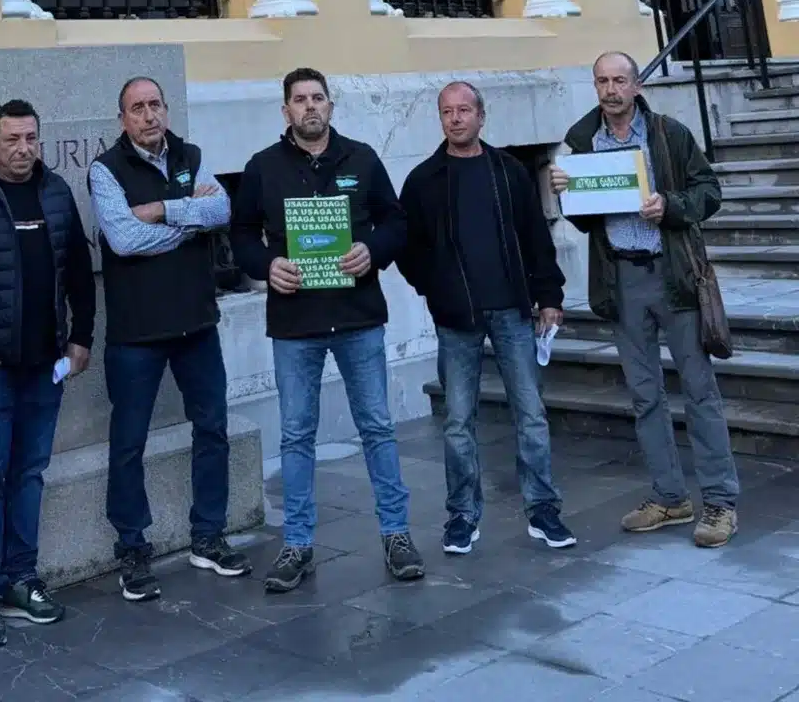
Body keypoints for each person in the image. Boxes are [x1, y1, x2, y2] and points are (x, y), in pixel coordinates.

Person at [230, 66, 424, 593]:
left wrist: (373, 250)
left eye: (318, 98)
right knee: (296, 435)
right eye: (300, 99)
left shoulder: (361, 158)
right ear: (286, 110)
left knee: (377, 427)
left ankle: (397, 534)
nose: (310, 106)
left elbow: (396, 222)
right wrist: (266, 265)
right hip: (296, 323)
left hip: (357, 316)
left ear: (331, 107)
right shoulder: (262, 167)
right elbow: (241, 235)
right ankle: (297, 543)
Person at [549, 50, 739, 548]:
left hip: (673, 275)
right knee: (644, 395)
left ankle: (720, 501)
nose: (611, 90)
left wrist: (670, 206)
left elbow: (710, 191)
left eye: (619, 80)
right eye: (602, 81)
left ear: (636, 86)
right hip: (621, 279)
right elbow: (584, 217)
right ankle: (670, 496)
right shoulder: (580, 143)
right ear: (595, 87)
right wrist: (564, 193)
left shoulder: (668, 133)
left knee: (699, 390)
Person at [88, 76, 251, 602]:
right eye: (137, 108)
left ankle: (209, 535)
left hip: (196, 323)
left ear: (166, 109)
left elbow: (222, 210)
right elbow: (123, 239)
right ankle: (133, 549)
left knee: (213, 429)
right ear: (123, 119)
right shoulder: (105, 170)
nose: (148, 115)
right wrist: (191, 220)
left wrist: (163, 210)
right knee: (128, 442)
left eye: (155, 104)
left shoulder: (190, 155)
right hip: (137, 332)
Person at [0, 99, 97, 647]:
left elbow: (80, 271)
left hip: (44, 365)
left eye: (30, 138)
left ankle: (21, 579)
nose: (23, 149)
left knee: (30, 473)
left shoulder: (56, 193)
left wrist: (81, 338)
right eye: (11, 139)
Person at [396, 81, 576, 556]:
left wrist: (549, 295)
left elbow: (536, 237)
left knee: (531, 414)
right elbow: (406, 248)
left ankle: (543, 508)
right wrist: (435, 288)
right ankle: (462, 514)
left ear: (481, 115)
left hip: (513, 310)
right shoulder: (423, 180)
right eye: (447, 112)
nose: (455, 119)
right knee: (458, 421)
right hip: (457, 318)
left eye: (463, 110)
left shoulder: (509, 171)